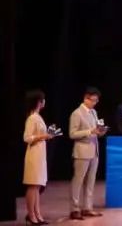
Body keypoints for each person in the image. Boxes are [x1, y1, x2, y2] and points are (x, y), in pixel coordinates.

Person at [69, 87, 106, 221]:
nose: (95, 103)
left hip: (94, 150)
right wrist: (90, 131)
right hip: (82, 151)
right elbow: (72, 134)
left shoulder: (94, 112)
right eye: (93, 100)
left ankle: (87, 207)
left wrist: (100, 131)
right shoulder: (77, 113)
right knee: (78, 181)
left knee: (91, 181)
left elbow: (95, 129)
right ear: (86, 98)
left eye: (96, 100)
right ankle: (75, 209)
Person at [23, 90, 53, 225]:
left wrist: (48, 135)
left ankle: (37, 213)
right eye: (42, 99)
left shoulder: (38, 117)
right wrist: (43, 136)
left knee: (38, 186)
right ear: (39, 102)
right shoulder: (32, 118)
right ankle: (31, 215)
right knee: (33, 185)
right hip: (34, 155)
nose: (44, 102)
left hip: (40, 154)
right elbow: (27, 138)